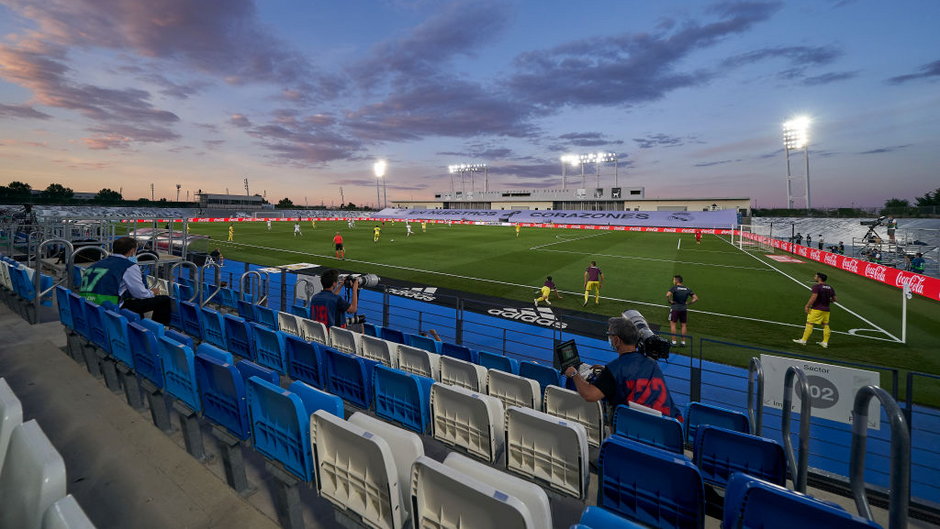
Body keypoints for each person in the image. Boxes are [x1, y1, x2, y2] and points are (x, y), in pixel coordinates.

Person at [564, 316, 682, 420]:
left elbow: (590, 395)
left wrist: (574, 373)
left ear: (616, 340)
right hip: (671, 427)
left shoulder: (615, 369)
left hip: (640, 431)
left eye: (610, 335)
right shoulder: (651, 363)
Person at [78, 237, 172, 324]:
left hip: (88, 305)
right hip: (108, 306)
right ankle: (159, 332)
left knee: (134, 302)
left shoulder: (98, 263)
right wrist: (152, 292)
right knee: (164, 300)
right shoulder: (129, 266)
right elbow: (140, 294)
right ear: (132, 251)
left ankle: (140, 324)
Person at [793, 272, 836, 348]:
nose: (814, 277)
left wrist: (807, 306)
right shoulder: (830, 287)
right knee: (825, 325)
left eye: (816, 276)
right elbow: (834, 299)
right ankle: (825, 342)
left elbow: (814, 297)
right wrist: (827, 300)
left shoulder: (816, 287)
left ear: (819, 278)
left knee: (809, 323)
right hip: (826, 310)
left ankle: (803, 340)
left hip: (816, 309)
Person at [666, 275, 698, 346]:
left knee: (673, 324)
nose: (673, 281)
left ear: (677, 281)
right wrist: (688, 303)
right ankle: (683, 342)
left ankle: (674, 342)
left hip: (675, 308)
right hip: (683, 309)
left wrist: (670, 301)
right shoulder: (687, 289)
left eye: (674, 280)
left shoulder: (674, 288)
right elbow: (696, 298)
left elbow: (667, 295)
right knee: (683, 325)